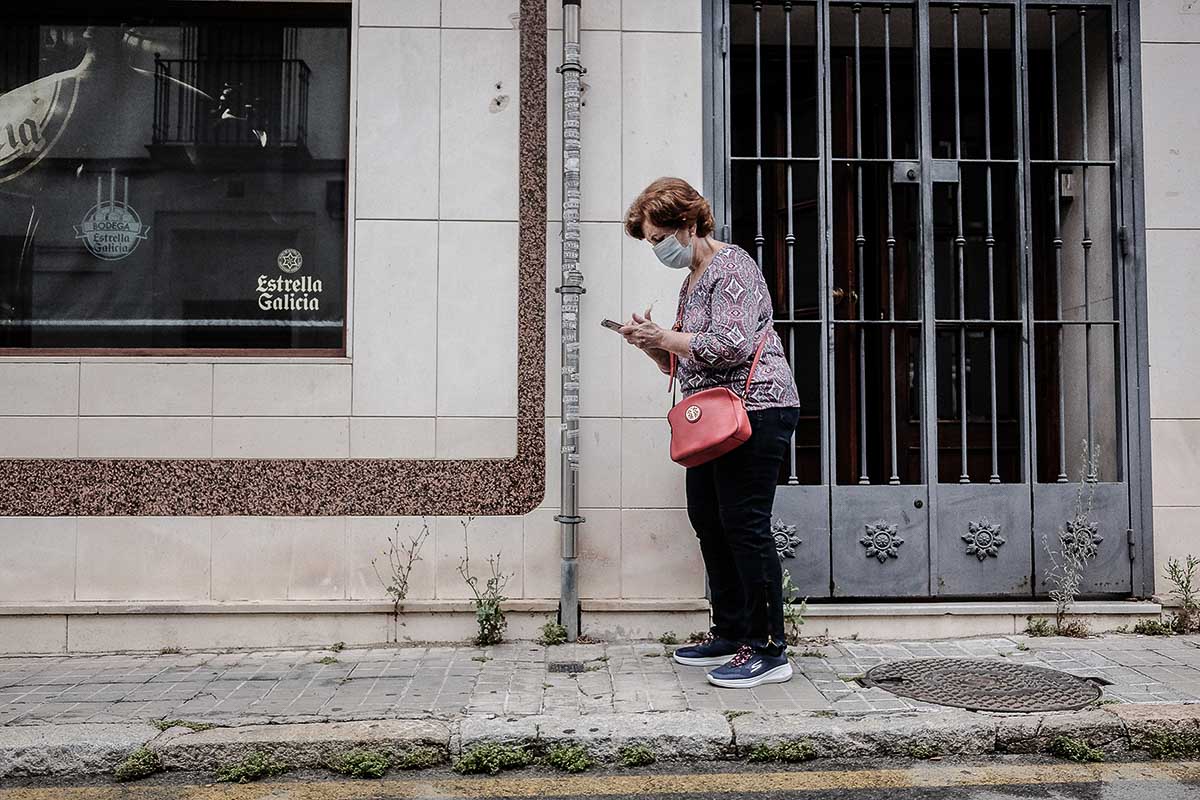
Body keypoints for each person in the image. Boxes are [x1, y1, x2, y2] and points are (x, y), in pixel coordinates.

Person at [619, 177, 801, 689]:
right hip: (711, 416)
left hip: (757, 410)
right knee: (709, 520)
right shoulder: (691, 281)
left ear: (691, 223)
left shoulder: (733, 266)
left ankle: (769, 649)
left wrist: (667, 336)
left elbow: (731, 346)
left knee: (744, 524)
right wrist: (651, 345)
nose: (657, 249)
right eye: (651, 241)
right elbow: (688, 361)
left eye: (659, 238)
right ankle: (731, 631)